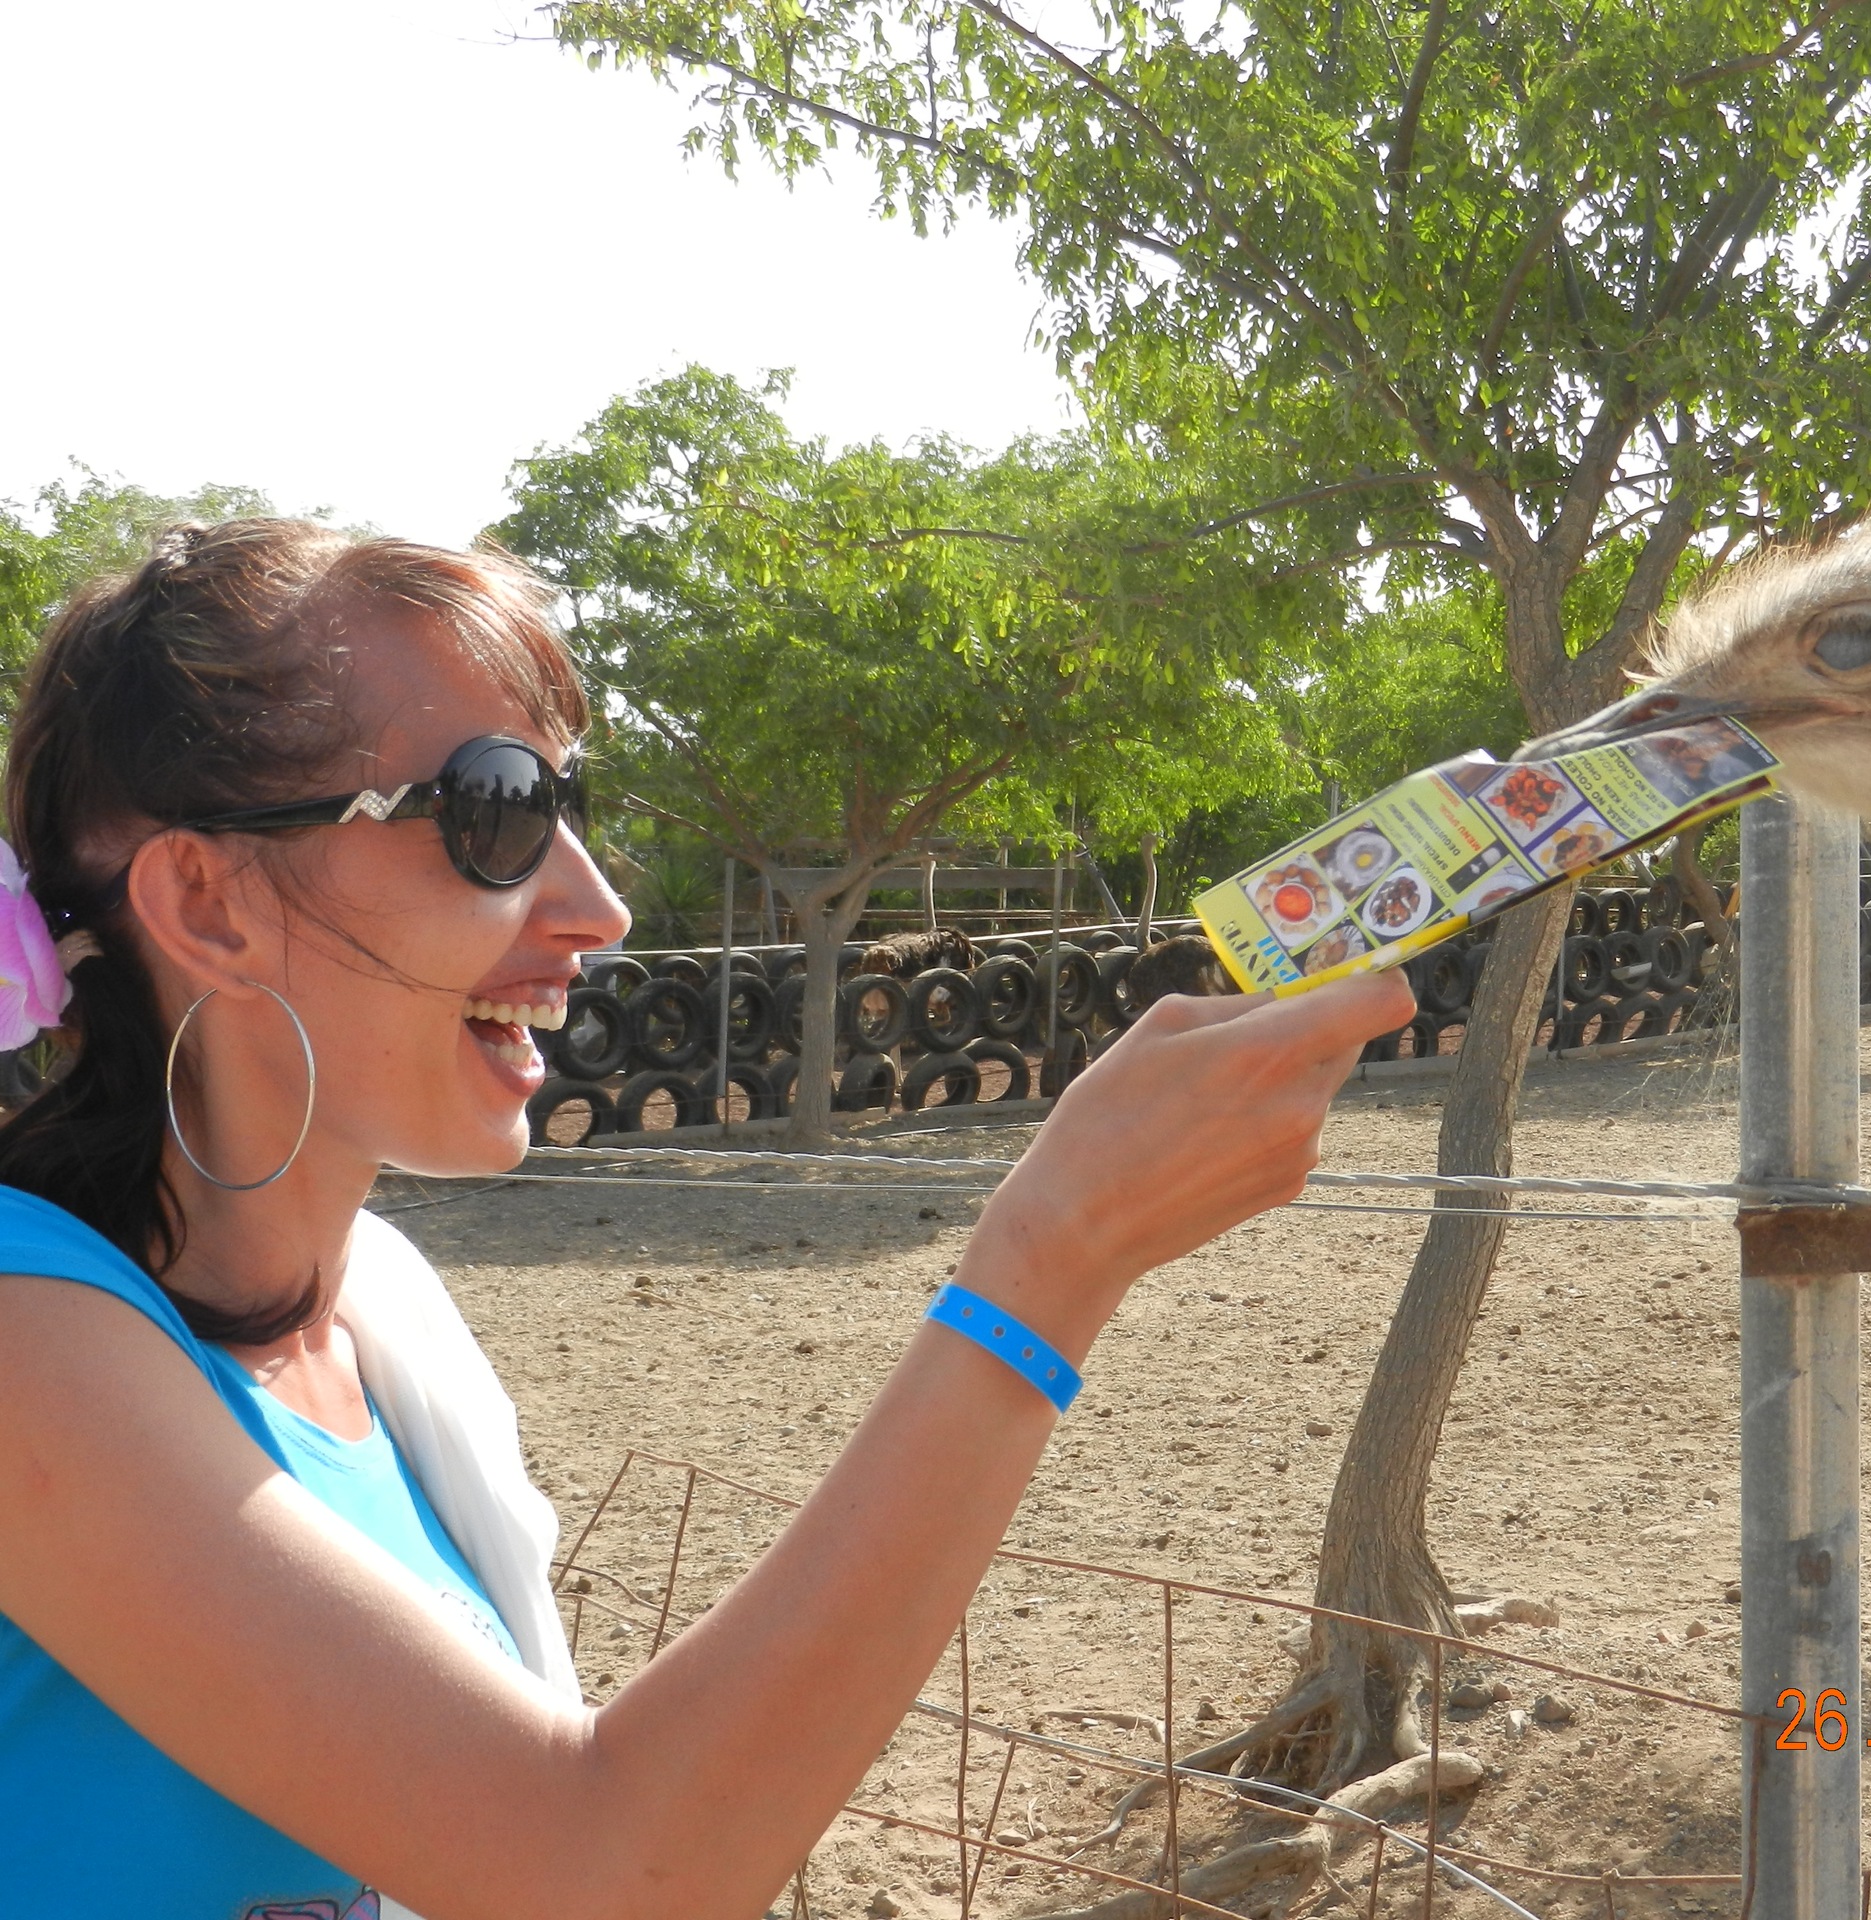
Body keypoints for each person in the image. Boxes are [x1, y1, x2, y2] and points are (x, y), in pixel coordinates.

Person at [0, 520, 1413, 1918]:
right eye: (497, 811)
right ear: (207, 901)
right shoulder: (25, 1353)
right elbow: (599, 1868)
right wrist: (1051, 1264)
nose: (600, 907)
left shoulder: (373, 1314)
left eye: (571, 803)